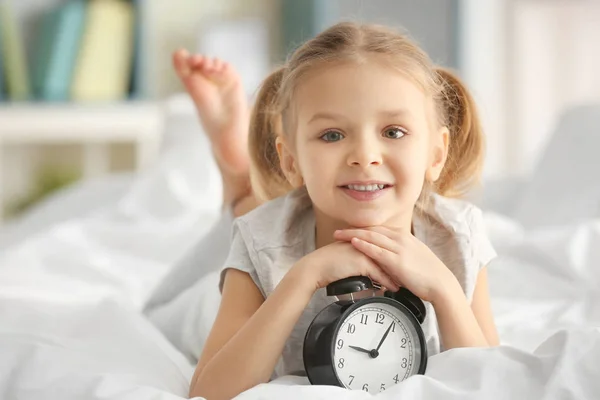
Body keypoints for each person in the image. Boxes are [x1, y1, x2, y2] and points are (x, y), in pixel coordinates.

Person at [165, 22, 500, 400]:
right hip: (223, 290)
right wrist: (301, 279)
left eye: (393, 132)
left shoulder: (457, 235)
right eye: (332, 135)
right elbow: (211, 392)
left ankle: (245, 184)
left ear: (436, 154)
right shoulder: (263, 241)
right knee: (171, 309)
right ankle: (240, 182)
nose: (365, 157)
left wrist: (444, 290)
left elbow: (492, 381)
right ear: (290, 160)